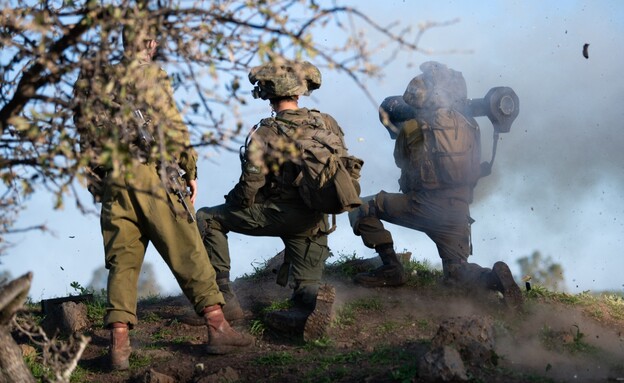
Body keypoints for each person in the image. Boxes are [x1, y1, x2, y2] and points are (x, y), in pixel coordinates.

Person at [73, 19, 252, 370]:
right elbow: (172, 126)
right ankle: (218, 328)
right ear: (151, 44)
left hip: (114, 183)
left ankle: (119, 347)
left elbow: (86, 143)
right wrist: (190, 168)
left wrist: (102, 183)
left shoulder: (95, 84)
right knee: (187, 248)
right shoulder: (151, 76)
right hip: (151, 176)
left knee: (122, 264)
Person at [349, 61, 523, 308]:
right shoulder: (471, 126)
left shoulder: (413, 127)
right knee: (456, 274)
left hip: (424, 206)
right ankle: (493, 278)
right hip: (458, 212)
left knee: (360, 206)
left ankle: (390, 269)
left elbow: (402, 161)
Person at [195, 59, 342, 341]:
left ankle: (226, 298)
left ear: (268, 96)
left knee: (207, 217)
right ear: (299, 93)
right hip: (315, 219)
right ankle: (314, 302)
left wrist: (235, 203)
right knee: (306, 290)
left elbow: (250, 185)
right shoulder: (326, 123)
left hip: (277, 214)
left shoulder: (264, 132)